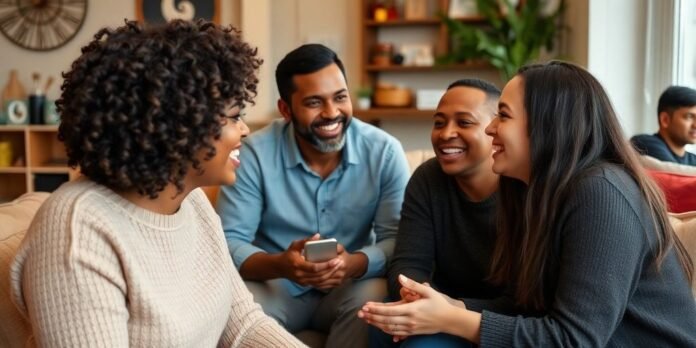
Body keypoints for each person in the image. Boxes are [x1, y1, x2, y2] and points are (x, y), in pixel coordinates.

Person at [10, 19, 304, 347]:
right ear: (178, 124)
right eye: (234, 116)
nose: (244, 130)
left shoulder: (189, 201)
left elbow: (243, 324)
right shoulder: (77, 234)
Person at [359, 61, 696, 347]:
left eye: (503, 115)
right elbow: (528, 306)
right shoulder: (534, 191)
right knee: (390, 330)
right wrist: (450, 305)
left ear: (547, 125)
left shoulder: (601, 191)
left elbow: (573, 339)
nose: (491, 127)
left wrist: (453, 319)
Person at [216, 43, 410, 347]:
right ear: (286, 110)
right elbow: (228, 241)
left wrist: (355, 263)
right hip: (276, 284)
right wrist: (282, 264)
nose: (332, 113)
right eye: (314, 102)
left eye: (340, 97)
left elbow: (399, 239)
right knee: (237, 305)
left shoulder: (384, 152)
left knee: (373, 298)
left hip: (350, 286)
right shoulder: (254, 153)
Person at [371, 79, 505, 348]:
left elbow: (530, 300)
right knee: (382, 324)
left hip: (503, 320)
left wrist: (453, 308)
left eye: (464, 122)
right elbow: (408, 262)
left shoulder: (523, 186)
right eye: (439, 122)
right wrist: (420, 299)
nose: (445, 134)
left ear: (497, 130)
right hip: (439, 306)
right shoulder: (428, 178)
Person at [631, 85, 696, 165]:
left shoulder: (693, 159)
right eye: (689, 117)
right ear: (665, 120)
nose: (695, 125)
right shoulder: (644, 144)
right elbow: (674, 173)